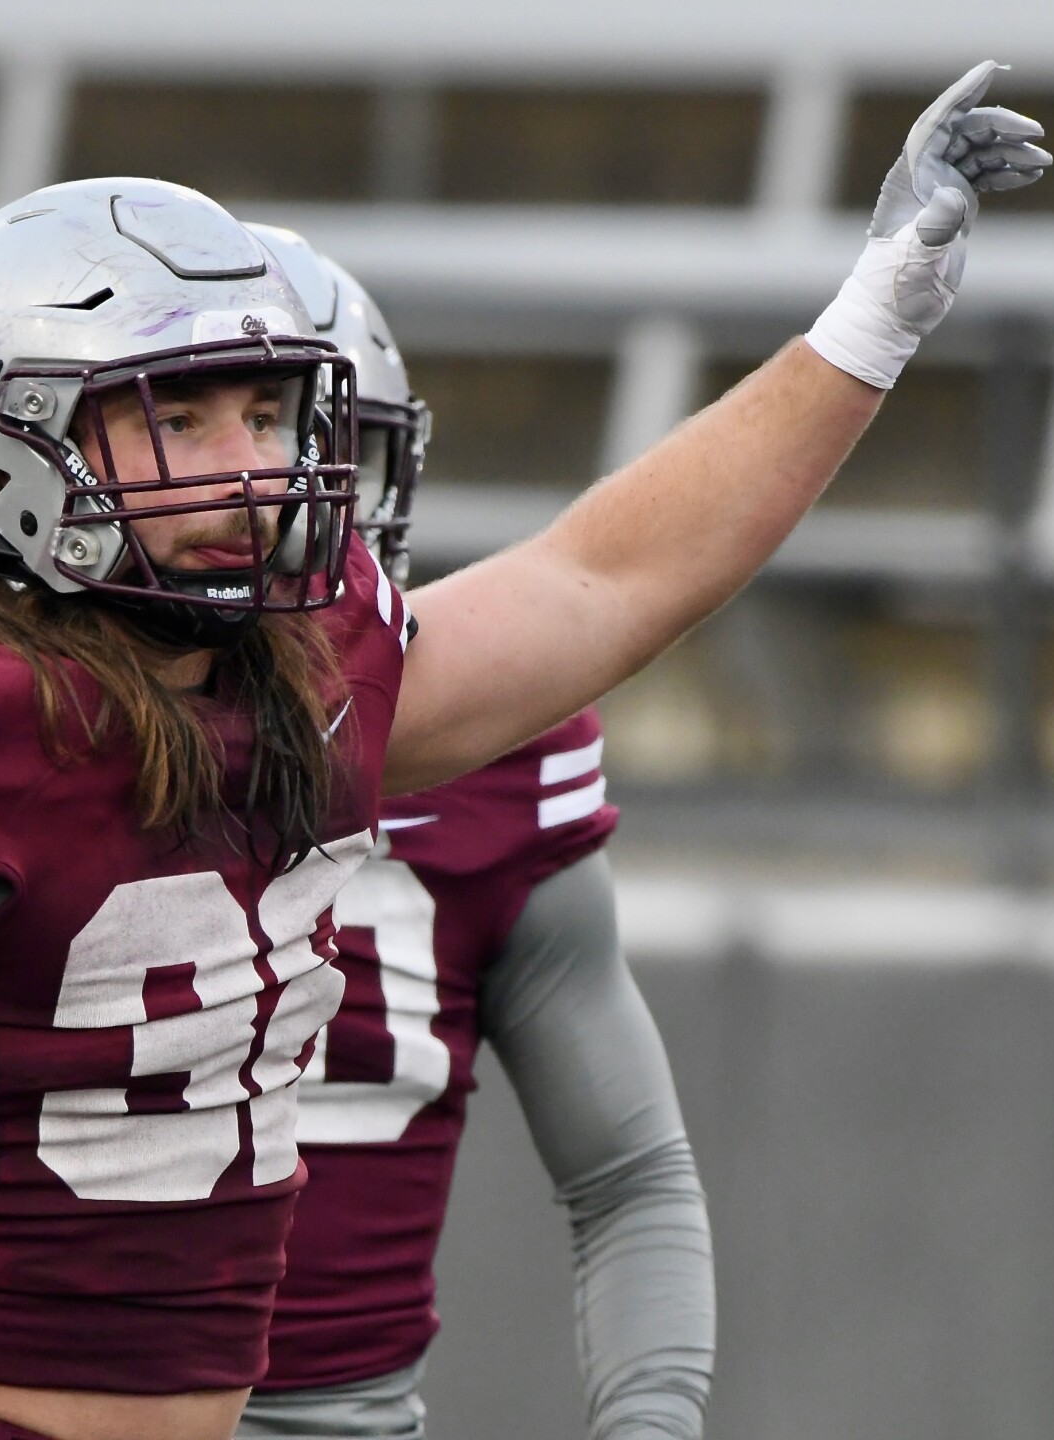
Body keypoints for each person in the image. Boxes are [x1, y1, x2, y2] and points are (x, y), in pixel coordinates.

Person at [0, 63, 1049, 1440]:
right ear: (15, 430)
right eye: (181, 417)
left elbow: (606, 584)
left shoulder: (300, 669)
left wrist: (871, 318)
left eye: (266, 414)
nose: (251, 469)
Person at [231, 235, 713, 1440]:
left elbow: (628, 1175)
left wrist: (650, 1422)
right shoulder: (2, 725)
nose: (308, 514)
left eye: (333, 464)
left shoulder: (502, 746)